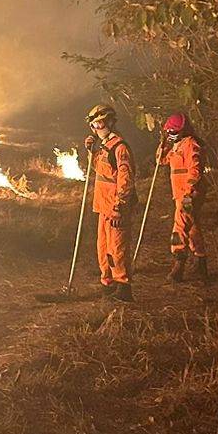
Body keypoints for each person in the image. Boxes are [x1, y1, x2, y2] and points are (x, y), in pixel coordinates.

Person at [84, 104, 137, 302]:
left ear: (110, 122)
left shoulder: (119, 147)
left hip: (116, 209)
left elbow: (125, 180)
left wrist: (119, 206)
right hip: (103, 207)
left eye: (99, 123)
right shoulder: (105, 146)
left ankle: (123, 288)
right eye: (93, 125)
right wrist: (91, 151)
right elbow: (99, 169)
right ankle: (108, 284)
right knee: (103, 248)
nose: (96, 128)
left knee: (118, 249)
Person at [156, 112, 209, 283]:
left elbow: (195, 171)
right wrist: (163, 143)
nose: (171, 134)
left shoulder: (191, 145)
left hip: (189, 196)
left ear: (183, 130)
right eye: (169, 131)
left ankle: (178, 264)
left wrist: (188, 194)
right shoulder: (176, 146)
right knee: (192, 228)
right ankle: (201, 263)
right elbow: (161, 160)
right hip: (180, 194)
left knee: (179, 227)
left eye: (174, 131)